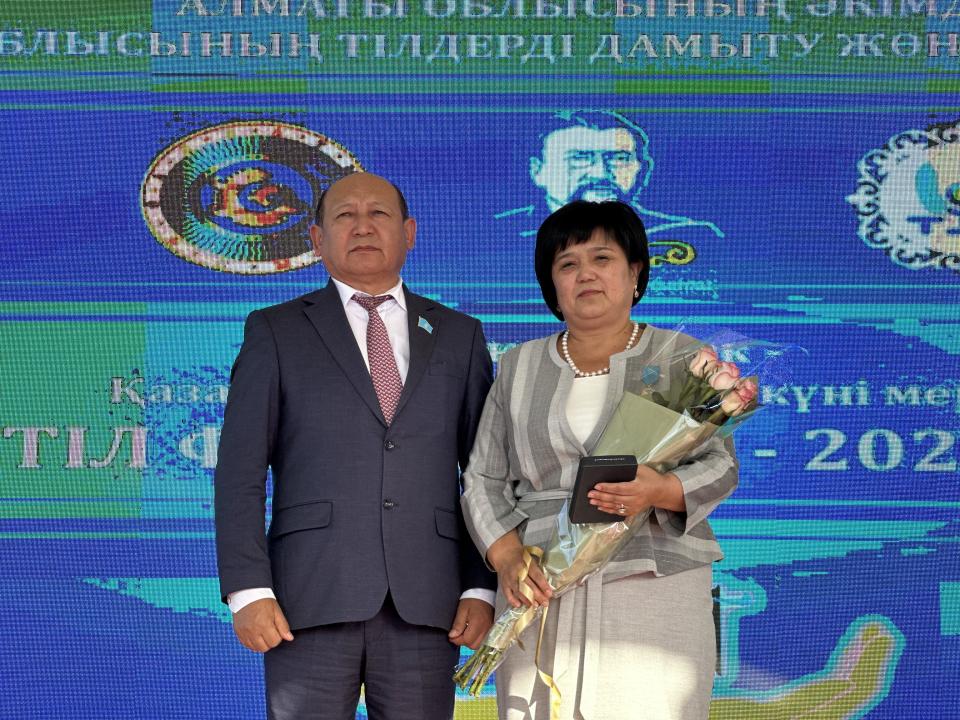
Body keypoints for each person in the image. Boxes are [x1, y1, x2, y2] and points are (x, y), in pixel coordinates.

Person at [214, 172, 497, 720]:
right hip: (306, 599)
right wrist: (248, 590)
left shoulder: (460, 335)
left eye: (378, 214)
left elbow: (484, 473)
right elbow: (240, 472)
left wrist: (480, 587)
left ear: (409, 233)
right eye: (345, 215)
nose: (363, 227)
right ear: (317, 239)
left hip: (429, 600)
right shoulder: (275, 331)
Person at [462, 200, 738, 719]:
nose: (585, 274)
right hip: (538, 580)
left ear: (635, 273)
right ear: (552, 285)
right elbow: (482, 477)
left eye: (602, 258)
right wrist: (506, 557)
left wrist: (657, 489)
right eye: (567, 264)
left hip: (653, 575)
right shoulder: (518, 365)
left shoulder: (682, 357)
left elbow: (720, 464)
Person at [495, 110, 723, 267]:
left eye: (618, 158)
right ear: (538, 171)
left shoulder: (689, 235)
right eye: (580, 158)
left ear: (641, 168)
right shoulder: (499, 234)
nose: (600, 173)